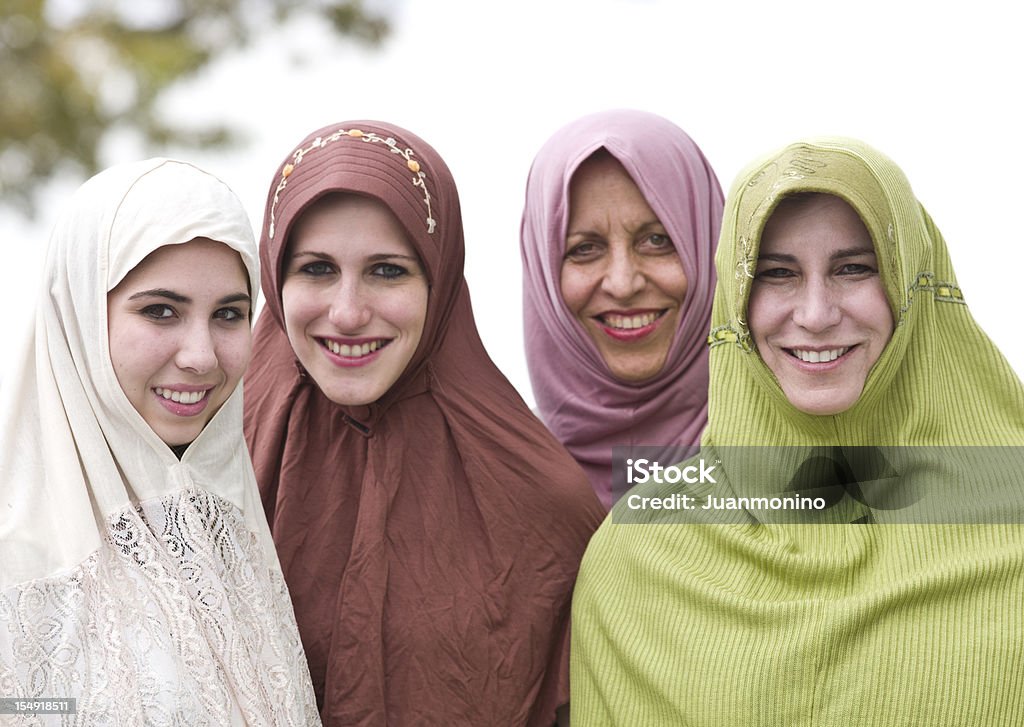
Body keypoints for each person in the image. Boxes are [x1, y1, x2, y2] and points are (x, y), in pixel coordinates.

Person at [570, 138, 1024, 724]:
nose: (814, 314)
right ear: (736, 298)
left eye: (854, 268)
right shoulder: (641, 550)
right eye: (777, 274)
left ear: (913, 282)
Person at [244, 121, 605, 726]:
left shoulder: (540, 498)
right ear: (274, 280)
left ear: (439, 281)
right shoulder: (206, 463)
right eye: (316, 269)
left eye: (388, 270)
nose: (349, 312)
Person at [0, 159, 319, 724]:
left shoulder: (233, 537)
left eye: (228, 314)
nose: (201, 356)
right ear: (79, 315)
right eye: (160, 310)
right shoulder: (20, 574)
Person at [520, 109, 723, 507]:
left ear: (710, 243)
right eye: (585, 249)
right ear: (542, 272)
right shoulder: (490, 482)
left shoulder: (811, 466)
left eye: (658, 240)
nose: (623, 283)